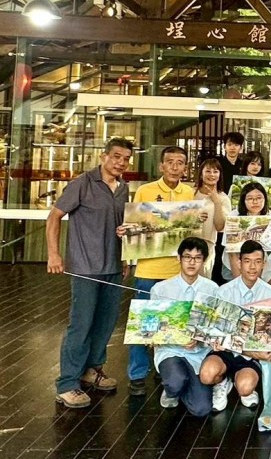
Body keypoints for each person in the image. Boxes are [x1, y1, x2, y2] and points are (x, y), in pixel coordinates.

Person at [48, 137, 133, 409]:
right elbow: (54, 216)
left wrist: (126, 256)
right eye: (116, 156)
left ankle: (92, 370)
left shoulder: (123, 189)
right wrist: (54, 254)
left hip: (113, 266)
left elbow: (123, 227)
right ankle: (67, 384)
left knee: (105, 323)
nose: (121, 162)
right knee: (81, 324)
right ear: (103, 156)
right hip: (85, 267)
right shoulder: (81, 184)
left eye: (126, 158)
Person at [127, 145, 198, 396]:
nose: (175, 167)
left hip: (176, 270)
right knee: (144, 323)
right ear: (161, 166)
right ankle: (137, 374)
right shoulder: (145, 191)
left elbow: (189, 229)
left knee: (173, 323)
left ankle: (164, 367)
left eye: (180, 163)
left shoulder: (188, 192)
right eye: (170, 162)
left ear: (185, 167)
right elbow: (134, 226)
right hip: (149, 268)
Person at [199, 240, 271, 412]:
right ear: (239, 263)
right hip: (225, 351)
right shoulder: (223, 291)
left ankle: (242, 385)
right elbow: (215, 328)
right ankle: (222, 382)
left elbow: (268, 336)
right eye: (247, 261)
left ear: (264, 264)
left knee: (245, 387)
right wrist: (215, 339)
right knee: (207, 375)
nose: (252, 267)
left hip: (251, 356)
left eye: (257, 261)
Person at [150, 238, 220, 415]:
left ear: (204, 260)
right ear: (179, 258)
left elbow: (215, 326)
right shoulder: (160, 289)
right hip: (170, 350)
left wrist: (200, 339)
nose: (192, 262)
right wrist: (173, 338)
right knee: (176, 381)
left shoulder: (212, 289)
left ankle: (183, 386)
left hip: (199, 353)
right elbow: (151, 329)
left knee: (201, 409)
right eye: (187, 257)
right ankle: (172, 389)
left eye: (197, 258)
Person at [226, 182, 271, 279]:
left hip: (263, 267)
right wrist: (239, 281)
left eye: (259, 198)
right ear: (243, 200)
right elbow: (232, 253)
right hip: (235, 266)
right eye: (250, 198)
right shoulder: (233, 216)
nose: (255, 202)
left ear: (265, 199)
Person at [194, 157, 230, 281]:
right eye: (208, 171)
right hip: (188, 241)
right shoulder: (191, 193)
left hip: (208, 244)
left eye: (215, 171)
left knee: (203, 281)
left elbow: (220, 227)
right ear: (201, 174)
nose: (212, 175)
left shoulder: (223, 198)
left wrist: (217, 202)